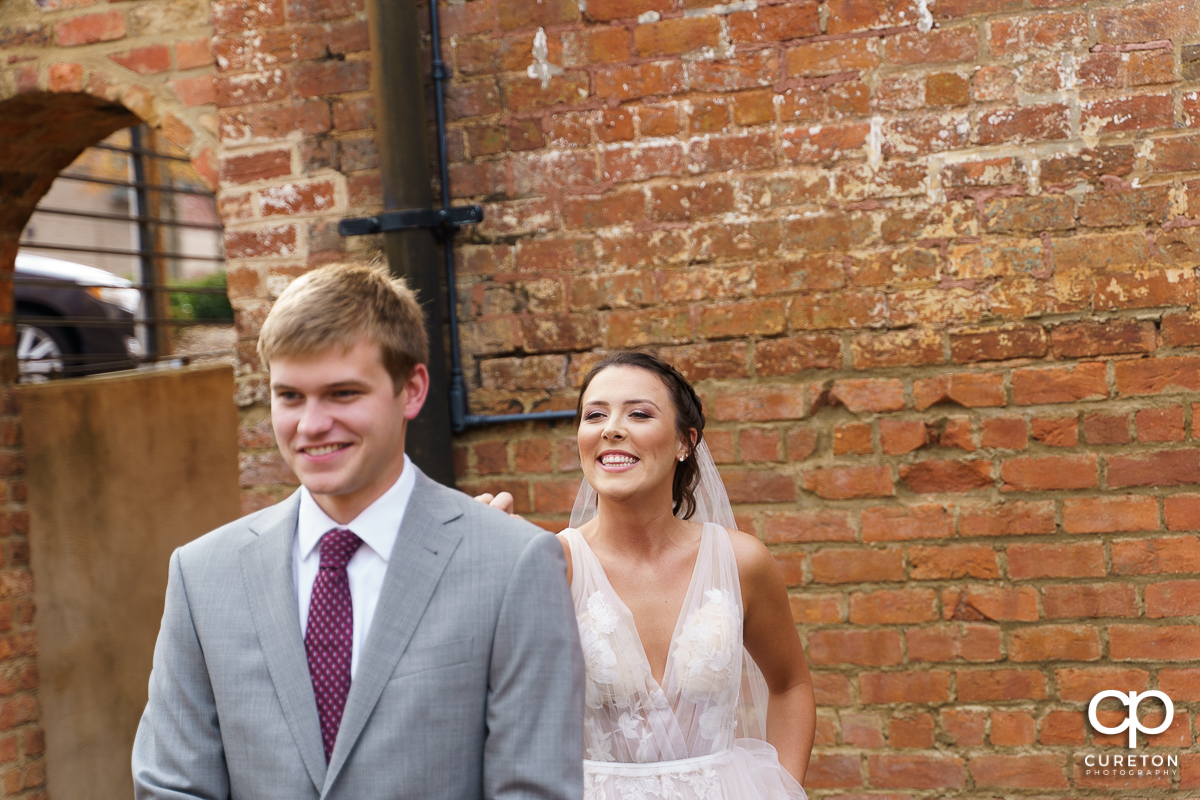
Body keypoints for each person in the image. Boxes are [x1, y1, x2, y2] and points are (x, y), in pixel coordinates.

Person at [132, 264, 584, 800]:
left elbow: (534, 790)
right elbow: (173, 787)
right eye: (290, 396)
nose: (311, 424)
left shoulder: (514, 563)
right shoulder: (202, 574)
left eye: (342, 393)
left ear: (411, 390)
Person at [480, 351, 815, 800]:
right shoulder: (551, 564)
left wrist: (783, 790)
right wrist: (479, 572)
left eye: (639, 413)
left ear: (685, 442)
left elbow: (790, 683)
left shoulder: (740, 561)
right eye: (594, 414)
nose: (610, 428)